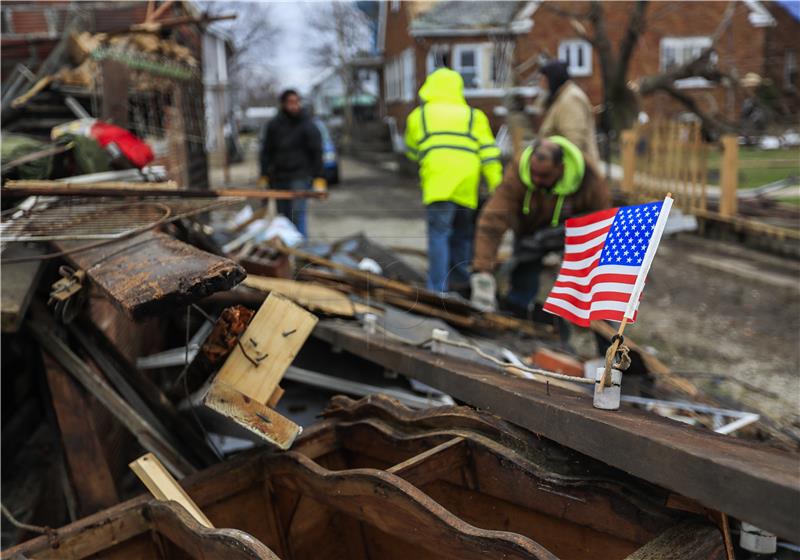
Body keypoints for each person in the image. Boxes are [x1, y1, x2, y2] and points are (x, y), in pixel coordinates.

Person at [470, 136, 610, 316]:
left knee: (577, 277)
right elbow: (492, 221)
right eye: (533, 173)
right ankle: (518, 309)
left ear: (561, 168)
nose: (536, 179)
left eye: (544, 176)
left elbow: (603, 220)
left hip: (571, 232)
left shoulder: (588, 178)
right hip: (529, 230)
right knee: (525, 263)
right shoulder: (518, 173)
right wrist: (483, 270)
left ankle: (575, 316)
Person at [404, 68, 503, 293]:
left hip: (438, 185)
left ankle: (438, 290)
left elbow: (411, 151)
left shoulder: (418, 116)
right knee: (462, 235)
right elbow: (489, 153)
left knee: (438, 236)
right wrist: (497, 185)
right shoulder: (473, 116)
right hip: (467, 185)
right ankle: (459, 284)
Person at [259, 89, 325, 237]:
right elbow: (266, 152)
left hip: (300, 176)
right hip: (278, 177)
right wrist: (263, 175)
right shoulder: (274, 126)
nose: (294, 106)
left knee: (297, 214)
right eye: (290, 103)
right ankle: (287, 251)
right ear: (283, 104)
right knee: (283, 217)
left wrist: (319, 177)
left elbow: (317, 151)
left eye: (296, 102)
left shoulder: (307, 125)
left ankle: (301, 247)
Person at [537, 60, 600, 165]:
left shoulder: (570, 99)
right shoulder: (562, 97)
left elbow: (574, 142)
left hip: (575, 170)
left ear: (553, 79)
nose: (541, 85)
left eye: (544, 81)